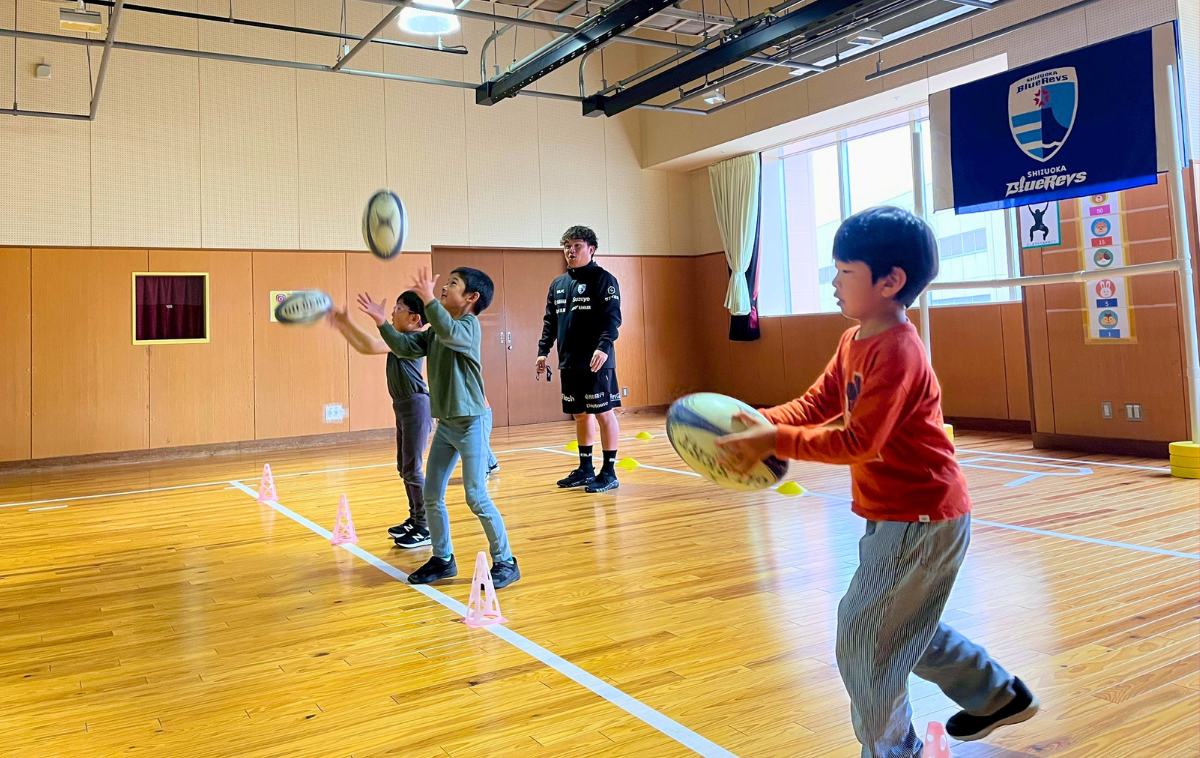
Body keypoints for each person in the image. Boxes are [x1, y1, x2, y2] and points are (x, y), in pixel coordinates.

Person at [715, 206, 1038, 758]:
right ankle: (994, 696)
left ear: (890, 281)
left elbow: (858, 441)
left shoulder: (899, 351)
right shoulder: (855, 339)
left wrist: (774, 443)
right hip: (898, 517)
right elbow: (818, 403)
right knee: (900, 626)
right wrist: (767, 420)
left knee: (863, 639)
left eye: (845, 272)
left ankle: (893, 751)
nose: (834, 282)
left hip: (921, 518)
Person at [359, 268, 520, 589]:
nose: (444, 287)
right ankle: (443, 558)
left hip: (472, 421)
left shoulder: (468, 327)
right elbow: (404, 347)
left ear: (472, 298)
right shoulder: (435, 333)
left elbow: (449, 330)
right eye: (444, 284)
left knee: (476, 496)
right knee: (432, 494)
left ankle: (505, 561)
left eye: (452, 285)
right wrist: (380, 321)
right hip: (447, 424)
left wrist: (429, 299)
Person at [328, 291, 434, 549]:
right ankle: (415, 518)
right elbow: (366, 347)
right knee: (404, 468)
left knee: (412, 468)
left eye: (398, 308)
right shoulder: (398, 339)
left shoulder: (410, 339)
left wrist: (348, 324)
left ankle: (425, 526)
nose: (392, 313)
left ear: (413, 318)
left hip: (416, 405)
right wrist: (343, 325)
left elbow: (372, 345)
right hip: (403, 406)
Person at [536, 225, 623, 493]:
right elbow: (550, 321)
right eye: (566, 246)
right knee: (580, 415)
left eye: (576, 246)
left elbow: (612, 318)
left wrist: (603, 346)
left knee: (603, 413)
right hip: (569, 362)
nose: (570, 251)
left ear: (591, 249)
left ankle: (608, 472)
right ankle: (585, 468)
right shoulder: (558, 284)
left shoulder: (604, 280)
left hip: (597, 361)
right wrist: (543, 350)